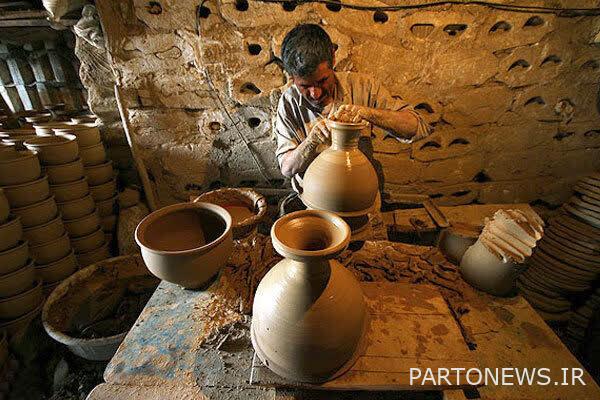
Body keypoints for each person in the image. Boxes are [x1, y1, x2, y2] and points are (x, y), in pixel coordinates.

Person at [275, 24, 432, 214]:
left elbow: (417, 127)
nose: (315, 93)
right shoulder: (289, 102)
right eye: (304, 86)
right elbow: (287, 168)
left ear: (333, 59)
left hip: (361, 200)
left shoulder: (363, 86)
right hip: (313, 200)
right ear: (291, 77)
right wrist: (311, 141)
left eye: (322, 81)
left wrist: (368, 113)